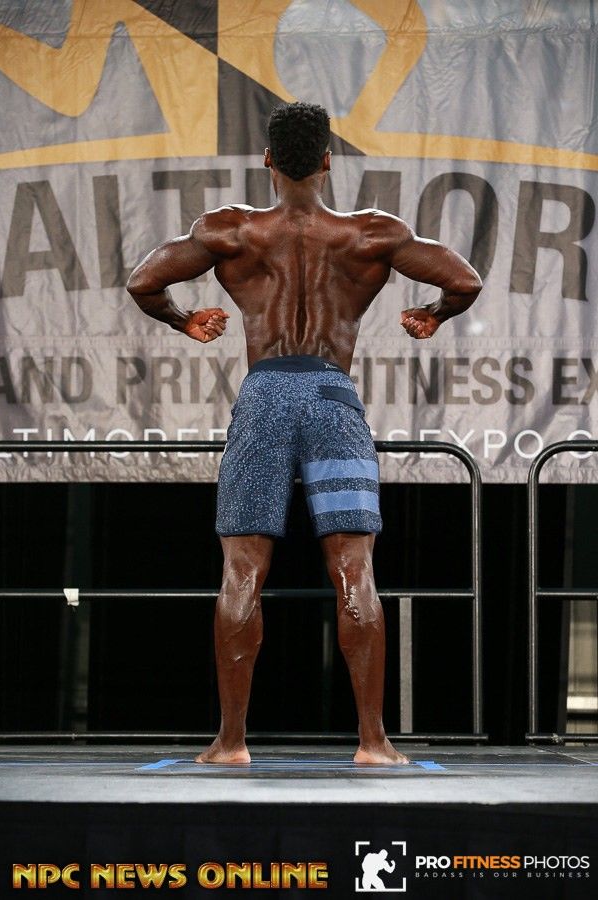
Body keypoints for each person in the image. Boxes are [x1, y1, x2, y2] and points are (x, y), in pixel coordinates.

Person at [127, 102, 482, 766]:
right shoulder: (371, 233)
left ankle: (231, 743)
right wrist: (433, 315)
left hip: (263, 398)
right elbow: (464, 280)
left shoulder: (230, 229)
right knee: (354, 568)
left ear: (267, 160)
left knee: (241, 571)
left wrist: (184, 321)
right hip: (331, 398)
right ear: (326, 161)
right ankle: (373, 743)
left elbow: (144, 282)